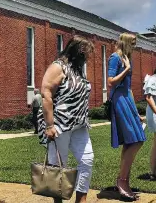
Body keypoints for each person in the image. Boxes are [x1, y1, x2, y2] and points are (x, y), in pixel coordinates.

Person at [37, 35, 95, 203]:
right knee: (57, 166)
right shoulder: (58, 67)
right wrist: (49, 125)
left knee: (87, 160)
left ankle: (81, 200)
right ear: (78, 51)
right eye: (86, 54)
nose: (88, 58)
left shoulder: (78, 69)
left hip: (80, 124)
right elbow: (46, 93)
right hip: (60, 124)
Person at [108, 32, 146, 201]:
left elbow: (129, 88)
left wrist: (136, 112)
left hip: (127, 100)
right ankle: (121, 181)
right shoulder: (115, 58)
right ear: (125, 42)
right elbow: (110, 81)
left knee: (131, 141)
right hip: (118, 99)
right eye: (133, 43)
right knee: (137, 140)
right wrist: (127, 70)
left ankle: (124, 181)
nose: (135, 46)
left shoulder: (127, 58)